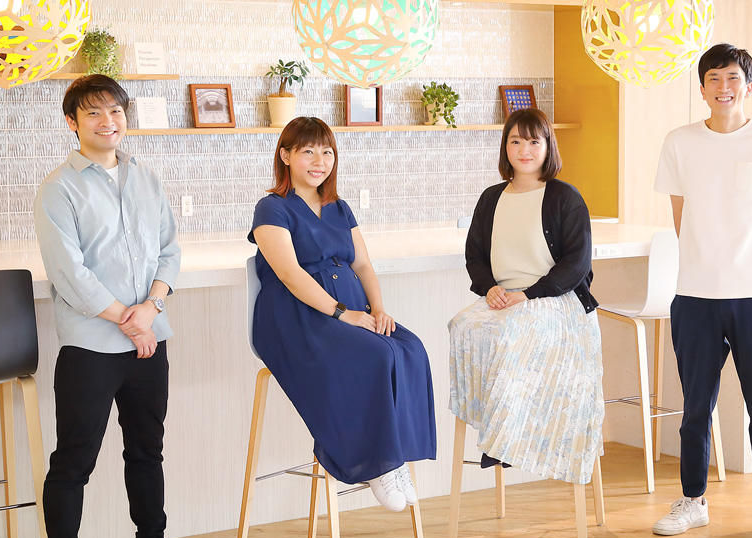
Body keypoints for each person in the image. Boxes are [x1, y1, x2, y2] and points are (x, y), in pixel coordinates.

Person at [34, 74, 205, 538]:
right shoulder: (58, 188)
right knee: (74, 461)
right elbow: (69, 274)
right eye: (93, 113)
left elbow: (169, 251)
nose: (108, 122)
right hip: (91, 346)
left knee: (146, 450)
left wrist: (151, 308)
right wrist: (129, 322)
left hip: (149, 338)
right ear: (72, 123)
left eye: (115, 111)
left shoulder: (145, 177)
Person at [651, 43, 752, 538]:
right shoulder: (680, 142)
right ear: (702, 88)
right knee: (695, 409)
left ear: (748, 85)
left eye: (733, 78)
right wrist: (703, 262)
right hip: (695, 296)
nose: (724, 87)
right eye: (714, 79)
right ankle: (693, 502)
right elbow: (681, 217)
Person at [249, 117, 436, 512]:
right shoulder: (271, 208)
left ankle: (397, 457)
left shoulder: (339, 207)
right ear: (286, 156)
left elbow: (363, 265)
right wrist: (341, 313)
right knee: (376, 355)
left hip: (352, 310)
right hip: (296, 318)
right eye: (308, 151)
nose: (320, 161)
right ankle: (377, 463)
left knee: (411, 349)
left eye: (327, 152)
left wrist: (378, 309)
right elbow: (290, 273)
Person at [448, 108, 604, 485]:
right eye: (515, 141)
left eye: (534, 141)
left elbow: (577, 262)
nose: (524, 150)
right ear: (505, 147)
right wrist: (490, 287)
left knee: (511, 333)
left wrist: (529, 294)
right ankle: (493, 426)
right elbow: (474, 256)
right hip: (504, 299)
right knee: (462, 325)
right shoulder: (491, 198)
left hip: (556, 299)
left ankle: (505, 439)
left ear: (548, 147)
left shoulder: (565, 197)